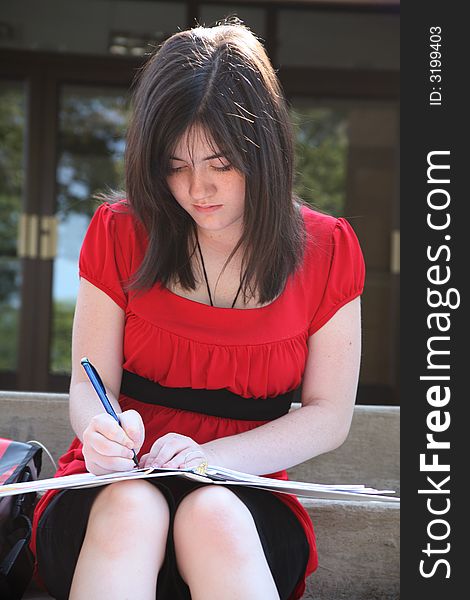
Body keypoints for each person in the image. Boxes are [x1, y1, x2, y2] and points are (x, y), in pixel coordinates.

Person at [31, 17, 365, 600]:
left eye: (221, 164)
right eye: (175, 167)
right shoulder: (119, 231)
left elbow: (328, 416)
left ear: (265, 154)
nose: (197, 190)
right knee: (133, 507)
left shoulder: (328, 250)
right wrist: (100, 431)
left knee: (213, 514)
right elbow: (90, 383)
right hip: (113, 487)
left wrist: (209, 458)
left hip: (242, 491)